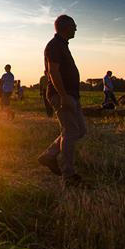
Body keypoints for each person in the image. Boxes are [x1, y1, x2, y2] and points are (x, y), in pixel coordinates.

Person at [37, 15, 86, 187]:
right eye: (74, 25)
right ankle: (69, 175)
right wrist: (64, 96)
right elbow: (53, 72)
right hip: (62, 95)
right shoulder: (54, 46)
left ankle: (50, 155)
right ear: (65, 27)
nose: (76, 28)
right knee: (71, 131)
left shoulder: (62, 45)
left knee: (79, 130)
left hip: (71, 94)